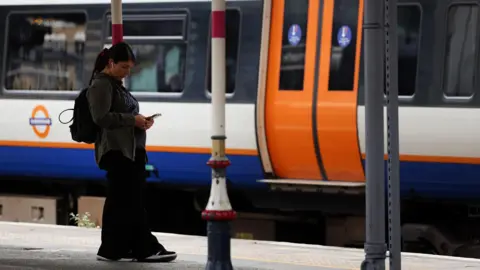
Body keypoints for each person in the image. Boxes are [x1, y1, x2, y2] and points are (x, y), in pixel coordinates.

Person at [86, 42, 177, 262]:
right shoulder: (101, 85)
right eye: (124, 67)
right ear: (111, 63)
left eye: (130, 68)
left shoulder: (116, 85)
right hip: (117, 152)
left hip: (129, 151)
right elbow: (101, 117)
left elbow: (120, 115)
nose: (128, 72)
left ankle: (112, 249)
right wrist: (132, 120)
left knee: (119, 202)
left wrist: (141, 122)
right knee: (132, 201)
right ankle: (144, 248)